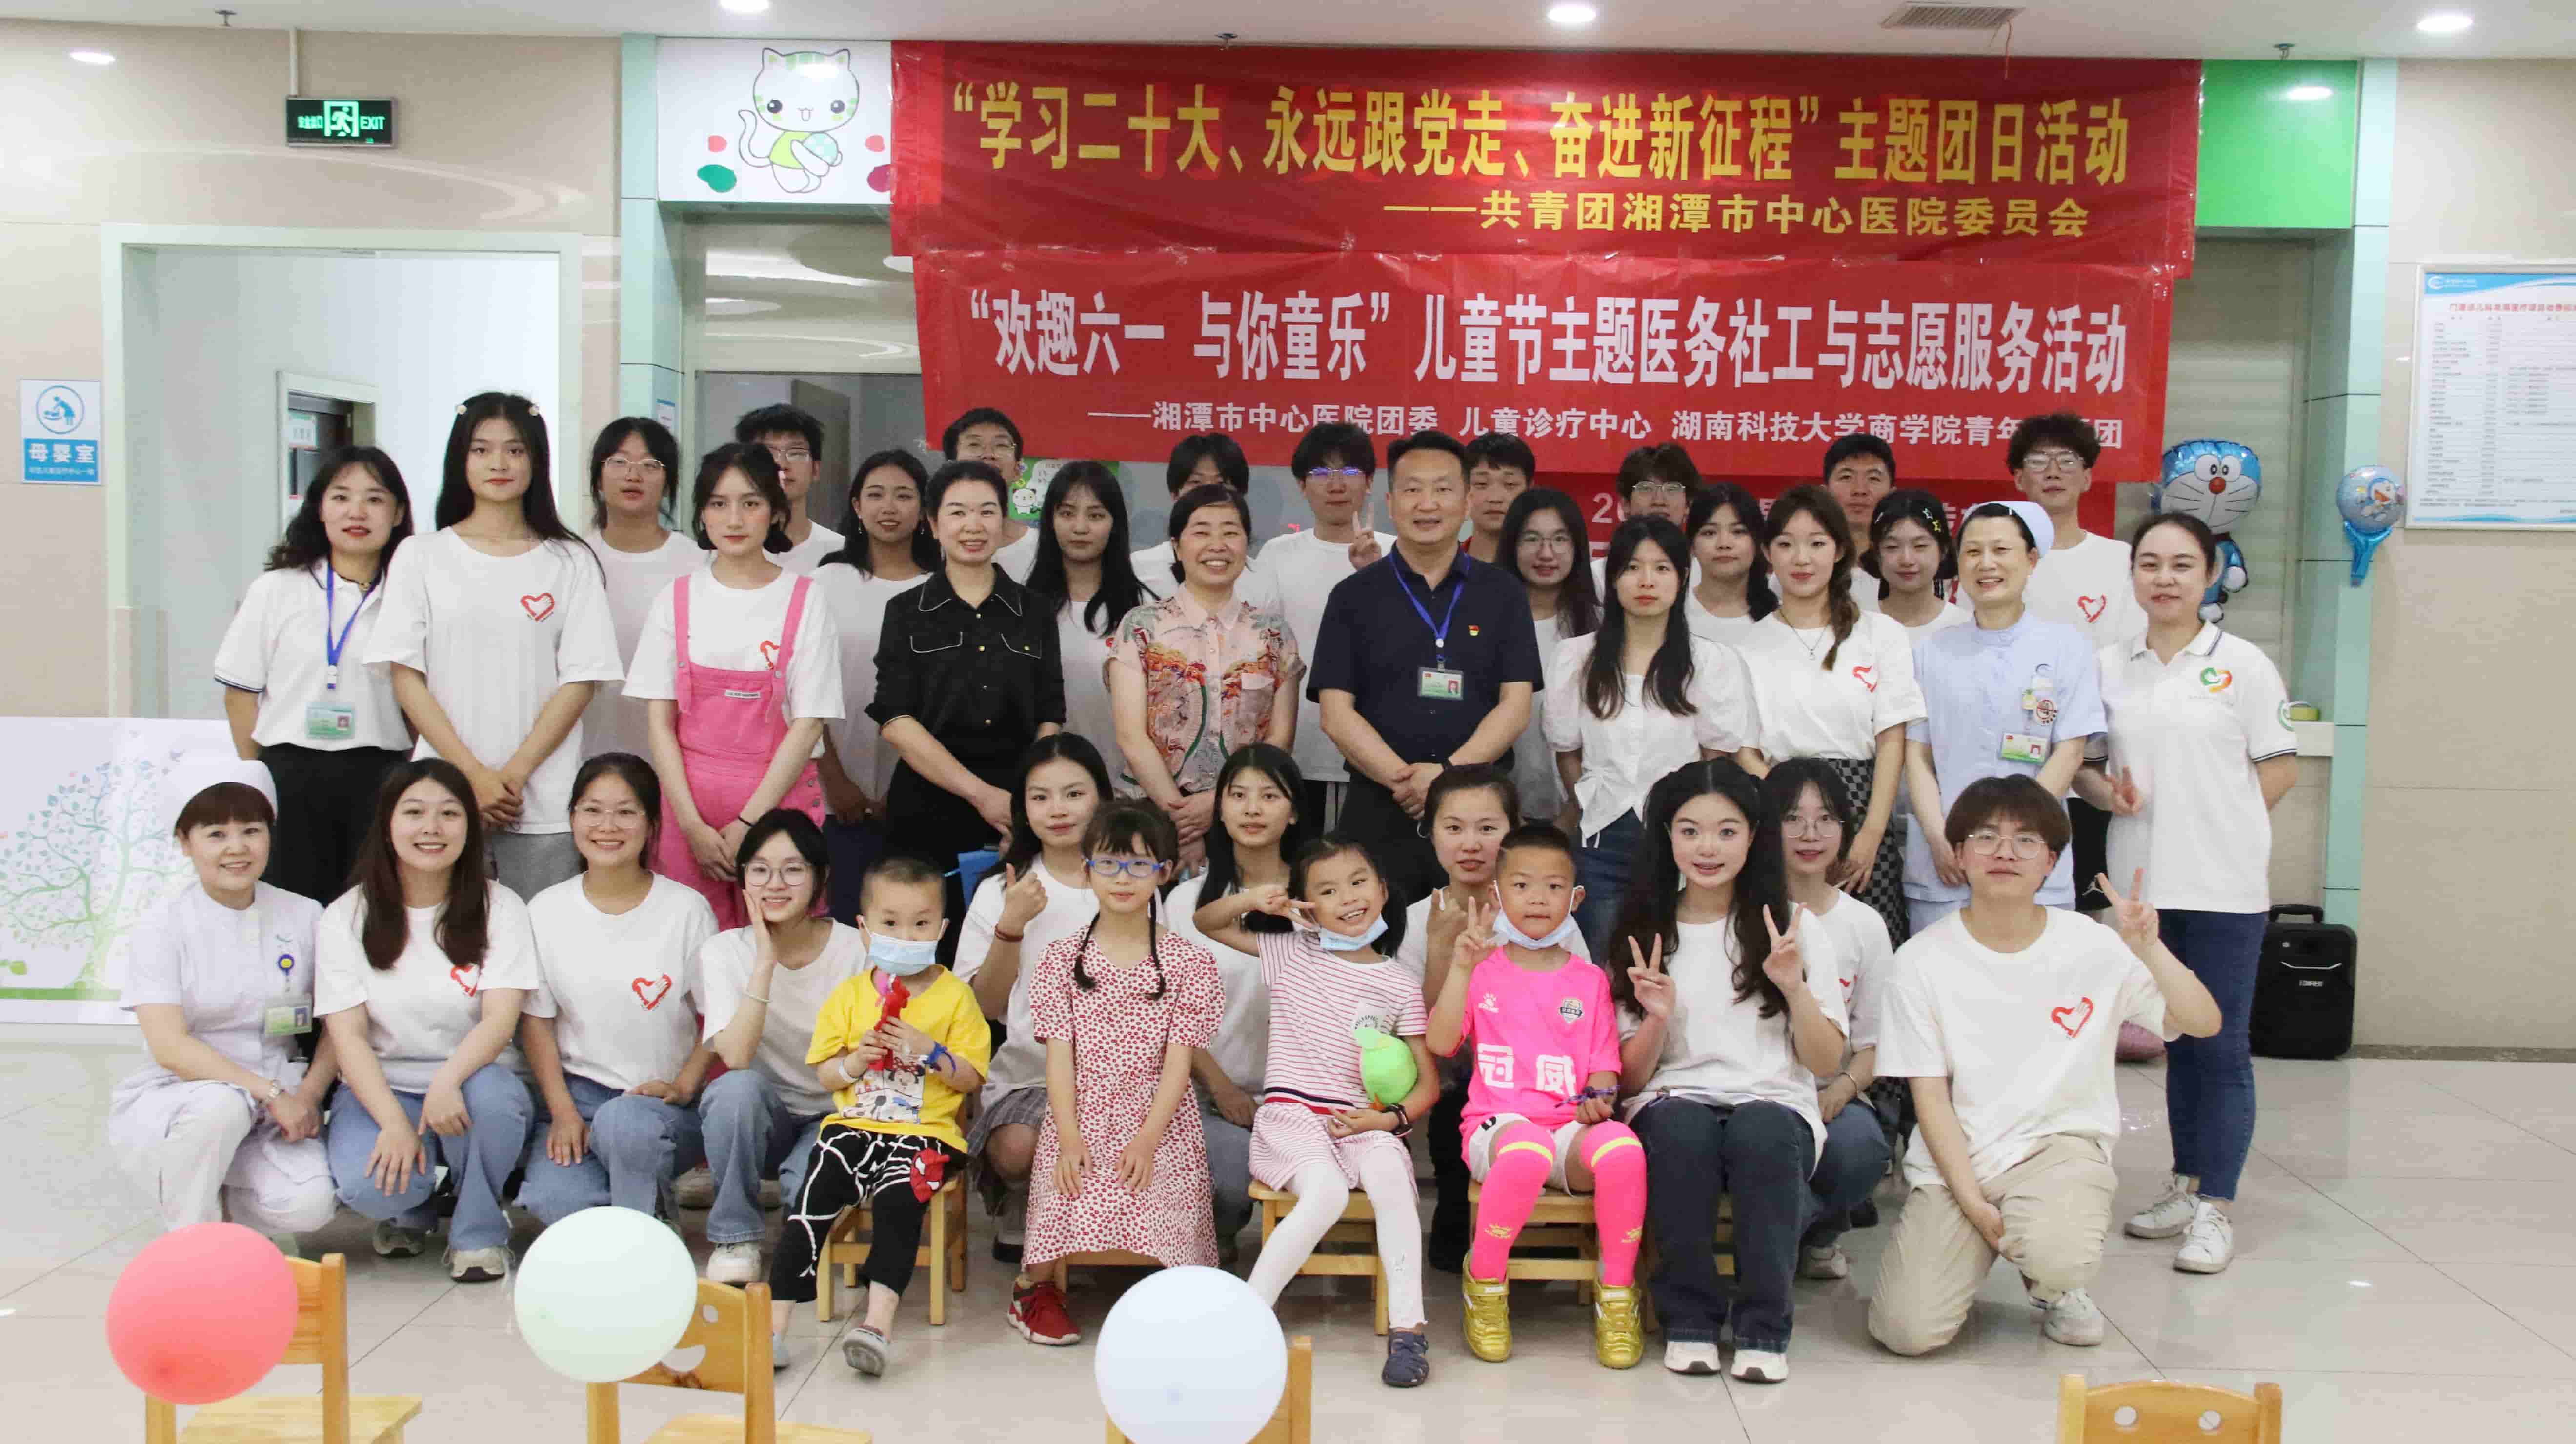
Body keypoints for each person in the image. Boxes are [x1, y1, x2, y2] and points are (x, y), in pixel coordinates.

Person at [1867, 777, 2222, 1357]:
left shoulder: (2092, 944)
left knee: (2059, 1254)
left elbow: (2203, 1022)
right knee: (1907, 1332)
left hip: (2058, 1149)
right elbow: (1930, 1098)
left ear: (2052, 861)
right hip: (1961, 1160)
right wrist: (1974, 1204)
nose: (2005, 852)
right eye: (1986, 837)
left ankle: (2058, 1284)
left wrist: (2149, 947)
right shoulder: (1921, 961)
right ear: (1959, 854)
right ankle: (1993, 1245)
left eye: (2026, 840)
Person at [2078, 512, 2299, 1276]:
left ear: (2209, 575)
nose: (2164, 578)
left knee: (2222, 1043)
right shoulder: (2108, 666)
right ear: (2133, 577)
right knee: (2176, 1037)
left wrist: (2222, 825)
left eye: (2181, 565)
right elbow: (2086, 769)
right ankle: (2186, 1181)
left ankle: (2218, 1206)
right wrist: (2107, 794)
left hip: (2226, 889)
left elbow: (2280, 767)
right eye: (2150, 564)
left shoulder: (2244, 665)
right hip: (2144, 895)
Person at [1610, 760, 1847, 1383]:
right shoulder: (1643, 929)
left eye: (1726, 831)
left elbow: (1826, 1062)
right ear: (1667, 836)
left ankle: (1764, 1328)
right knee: (1682, 1128)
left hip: (1775, 1103)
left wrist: (1794, 987)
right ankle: (1689, 1321)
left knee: (1761, 1130)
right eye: (1689, 830)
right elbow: (1628, 1082)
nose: (1707, 848)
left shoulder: (1794, 928)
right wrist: (1656, 1018)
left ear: (1753, 836)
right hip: (1671, 1098)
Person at [1196, 838, 1441, 1389]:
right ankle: (1247, 1318)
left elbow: (1428, 1085)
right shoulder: (1292, 951)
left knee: (1393, 1180)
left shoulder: (1399, 983)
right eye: (1328, 891)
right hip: (1292, 1116)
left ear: (1383, 890)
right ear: (1307, 906)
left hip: (1362, 1123)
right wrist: (1259, 899)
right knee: (1326, 1191)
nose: (1348, 898)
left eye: (1358, 882)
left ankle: (1409, 1329)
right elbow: (1207, 921)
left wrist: (1388, 1121)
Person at [368, 392, 623, 901]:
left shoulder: (571, 561)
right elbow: (406, 676)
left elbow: (582, 679)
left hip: (542, 799)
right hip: (441, 798)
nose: (499, 463)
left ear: (537, 460)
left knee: (542, 938)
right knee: (441, 937)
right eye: (481, 449)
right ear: (460, 460)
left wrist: (513, 775)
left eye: (515, 450)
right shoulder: (421, 555)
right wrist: (470, 775)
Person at [1426, 827, 1646, 1370]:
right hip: (1498, 1127)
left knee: (1624, 1150)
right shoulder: (1481, 969)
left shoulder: (1590, 980)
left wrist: (1598, 1100)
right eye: (1522, 885)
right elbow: (1440, 1043)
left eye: (1554, 886)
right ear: (1497, 894)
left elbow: (1603, 1067)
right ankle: (1485, 1283)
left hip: (1568, 1130)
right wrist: (1460, 967)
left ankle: (1618, 1296)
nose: (1538, 898)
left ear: (1577, 898)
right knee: (1526, 1150)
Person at [768, 853, 992, 1378]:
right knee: (811, 1196)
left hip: (928, 1137)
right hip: (853, 1127)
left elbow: (971, 1078)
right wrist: (854, 1061)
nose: (905, 935)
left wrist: (930, 1050)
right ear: (865, 929)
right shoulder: (848, 996)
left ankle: (877, 1325)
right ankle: (774, 1327)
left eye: (920, 924)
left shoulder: (956, 997)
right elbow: (826, 1075)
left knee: (898, 1199)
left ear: (941, 929)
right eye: (890, 923)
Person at [317, 758, 538, 1283]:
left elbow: (500, 1021)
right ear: (387, 824)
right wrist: (395, 1123)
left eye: (449, 813)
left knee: (494, 1103)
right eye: (414, 812)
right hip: (382, 1086)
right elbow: (348, 1038)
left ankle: (478, 1230)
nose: (432, 828)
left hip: (473, 1081)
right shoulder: (346, 916)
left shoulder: (502, 907)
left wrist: (447, 1080)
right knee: (370, 1187)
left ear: (471, 826)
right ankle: (409, 1209)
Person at [1014, 802, 1226, 1346]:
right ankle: (1035, 1290)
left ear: (1165, 872)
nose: (1123, 878)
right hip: (1079, 1115)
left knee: (1160, 1205)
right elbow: (1058, 1058)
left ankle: (1182, 1292)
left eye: (1139, 864)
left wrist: (1149, 1139)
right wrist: (1068, 1137)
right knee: (1068, 1187)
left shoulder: (1190, 962)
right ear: (1087, 871)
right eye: (1108, 864)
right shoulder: (1060, 959)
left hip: (1161, 1122)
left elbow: (1180, 1063)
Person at [1310, 430, 1544, 902]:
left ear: (1467, 501)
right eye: (1413, 489)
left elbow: (1516, 707)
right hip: (1379, 809)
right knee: (1375, 938)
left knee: (1475, 940)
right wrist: (1406, 781)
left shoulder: (1503, 594)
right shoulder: (1353, 597)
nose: (1427, 504)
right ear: (1391, 503)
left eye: (1442, 489)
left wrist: (1445, 778)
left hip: (1478, 819)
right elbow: (1336, 714)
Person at [109, 764, 338, 1243]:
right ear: (185, 842)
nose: (237, 848)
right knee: (221, 1107)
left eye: (251, 831)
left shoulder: (305, 915)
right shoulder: (162, 926)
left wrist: (307, 1097)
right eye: (216, 834)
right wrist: (268, 1092)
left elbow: (341, 1023)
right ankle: (192, 1242)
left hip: (279, 1092)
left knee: (310, 1205)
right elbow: (170, 1046)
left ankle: (220, 1201)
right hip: (186, 1096)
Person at [631, 444, 842, 928]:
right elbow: (660, 725)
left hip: (779, 811)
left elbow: (809, 724)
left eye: (751, 503)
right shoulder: (675, 598)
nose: (734, 519)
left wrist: (749, 823)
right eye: (719, 503)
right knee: (692, 944)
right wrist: (691, 825)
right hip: (688, 812)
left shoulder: (806, 599)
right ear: (702, 514)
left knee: (781, 945)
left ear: (775, 510)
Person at [515, 755, 721, 1226]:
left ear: (651, 825)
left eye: (626, 812)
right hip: (579, 1098)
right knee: (556, 1204)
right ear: (572, 818)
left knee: (626, 1128)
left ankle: (644, 1222)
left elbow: (719, 1017)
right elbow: (537, 1022)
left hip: (660, 1106)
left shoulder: (686, 911)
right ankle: (638, 1197)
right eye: (592, 810)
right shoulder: (545, 911)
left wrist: (684, 1086)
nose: (607, 826)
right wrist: (563, 1112)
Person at [214, 445, 416, 904]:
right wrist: (261, 777)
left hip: (380, 774)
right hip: (289, 773)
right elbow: (240, 695)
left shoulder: (410, 595)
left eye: (375, 499)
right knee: (290, 908)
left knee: (371, 909)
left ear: (398, 513)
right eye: (341, 497)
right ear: (320, 508)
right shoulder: (277, 589)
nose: (357, 512)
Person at [1549, 517, 1757, 958]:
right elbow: (1567, 750)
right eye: (1632, 568)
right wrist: (1590, 802)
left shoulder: (1710, 661)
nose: (1647, 581)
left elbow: (1715, 757)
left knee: (1674, 959)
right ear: (1613, 578)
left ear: (1682, 578)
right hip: (1601, 836)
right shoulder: (1577, 657)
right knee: (1601, 962)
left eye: (1662, 568)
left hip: (1679, 837)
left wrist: (1690, 823)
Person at [1903, 501, 2105, 934]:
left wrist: (2015, 839)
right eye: (1973, 552)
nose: (1986, 563)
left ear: (2030, 560)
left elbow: (2069, 752)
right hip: (1947, 865)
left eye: (2001, 550)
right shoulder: (1931, 652)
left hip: (2035, 861)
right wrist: (1941, 839)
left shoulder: (2066, 648)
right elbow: (1917, 756)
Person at [1735, 485, 1924, 946]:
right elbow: (1744, 749)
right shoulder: (1746, 647)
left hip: (1862, 804)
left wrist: (1870, 833)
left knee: (1869, 948)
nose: (1802, 559)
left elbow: (1892, 738)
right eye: (1786, 544)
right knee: (1783, 947)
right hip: (1780, 808)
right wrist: (1790, 810)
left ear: (1839, 551)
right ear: (1768, 554)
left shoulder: (1881, 633)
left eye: (1817, 543)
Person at [870, 460, 1065, 905]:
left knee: (1011, 927)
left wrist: (1025, 801)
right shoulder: (905, 611)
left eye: (987, 512)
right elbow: (894, 718)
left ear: (1003, 521)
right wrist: (981, 795)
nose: (973, 526)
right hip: (925, 805)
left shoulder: (1035, 611)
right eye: (957, 512)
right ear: (933, 523)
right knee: (921, 928)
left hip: (1018, 807)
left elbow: (1051, 714)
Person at [1393, 765, 1561, 1275]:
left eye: (1488, 828)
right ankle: (1456, 1207)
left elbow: (1571, 1012)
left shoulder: (1546, 913)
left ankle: (1537, 1220)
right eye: (1454, 827)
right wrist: (1441, 950)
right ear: (1431, 833)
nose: (1471, 844)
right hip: (1453, 1076)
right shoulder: (1415, 919)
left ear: (1513, 831)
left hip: (1535, 1078)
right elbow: (1422, 1038)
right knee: (1456, 1092)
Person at [694, 809, 867, 1284]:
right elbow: (736, 1056)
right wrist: (765, 962)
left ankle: (800, 1201)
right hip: (762, 1119)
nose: (775, 884)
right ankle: (736, 1237)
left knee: (803, 1200)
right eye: (760, 870)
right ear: (742, 879)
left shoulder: (857, 949)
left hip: (835, 1114)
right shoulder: (724, 951)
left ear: (821, 877)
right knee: (733, 1090)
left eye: (793, 869)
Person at [956, 737, 1109, 1264]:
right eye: (1041, 797)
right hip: (1031, 1073)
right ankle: (1024, 1204)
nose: (1058, 809)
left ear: (1102, 797)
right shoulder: (1002, 889)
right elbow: (983, 1005)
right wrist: (1011, 925)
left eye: (1074, 793)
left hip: (1119, 1073)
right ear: (1022, 808)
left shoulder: (1128, 876)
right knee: (1022, 1146)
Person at [1164, 744, 1315, 1264]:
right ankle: (1218, 1234)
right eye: (1239, 795)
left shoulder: (1319, 897)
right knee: (1228, 1180)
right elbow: (1169, 1011)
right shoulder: (1185, 902)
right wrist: (1221, 1087)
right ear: (1220, 810)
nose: (1253, 809)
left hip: (1302, 1096)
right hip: (1206, 1092)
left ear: (1293, 812)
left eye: (1270, 796)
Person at [1110, 484, 1301, 870]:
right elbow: (1131, 736)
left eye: (1231, 532)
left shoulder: (1273, 634)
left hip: (1247, 821)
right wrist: (1182, 820)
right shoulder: (1141, 627)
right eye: (1201, 532)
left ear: (1247, 544)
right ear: (1177, 547)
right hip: (1150, 821)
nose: (1218, 545)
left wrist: (1216, 805)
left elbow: (1279, 739)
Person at [1759, 759, 1897, 1283]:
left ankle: (1813, 1232)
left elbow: (1877, 1041)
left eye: (1826, 819)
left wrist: (1841, 1090)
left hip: (1828, 1089)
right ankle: (1779, 1238)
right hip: (1753, 1089)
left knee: (1860, 1146)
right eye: (1792, 818)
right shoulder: (1743, 911)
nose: (1810, 834)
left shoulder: (1864, 924)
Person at [2009, 412, 2146, 913]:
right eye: (2038, 461)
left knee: (2091, 916)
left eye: (2067, 461)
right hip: (2015, 762)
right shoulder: (2000, 560)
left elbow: (2134, 660)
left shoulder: (2120, 560)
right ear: (2018, 478)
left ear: (2088, 477)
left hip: (2097, 768)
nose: (2053, 471)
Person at [812, 450, 936, 922]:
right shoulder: (825, 582)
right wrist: (834, 779)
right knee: (842, 925)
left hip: (920, 796)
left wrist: (905, 790)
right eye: (876, 495)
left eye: (904, 496)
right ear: (857, 506)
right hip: (832, 792)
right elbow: (803, 690)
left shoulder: (941, 589)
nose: (889, 507)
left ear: (923, 510)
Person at [1249, 422, 1390, 831]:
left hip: (1376, 751)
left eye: (1350, 472)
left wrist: (1375, 574)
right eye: (1321, 473)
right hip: (1293, 746)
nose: (1336, 484)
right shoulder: (1277, 554)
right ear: (1301, 485)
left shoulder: (1396, 552)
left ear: (1369, 482)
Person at [578, 418, 704, 762]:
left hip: (677, 756)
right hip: (587, 751)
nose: (633, 475)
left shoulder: (698, 564)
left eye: (651, 465)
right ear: (598, 477)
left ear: (668, 482)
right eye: (619, 462)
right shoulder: (574, 562)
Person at [1026, 460, 1153, 768]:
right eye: (1067, 513)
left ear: (1115, 523)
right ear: (1050, 521)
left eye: (1095, 515)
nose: (1080, 528)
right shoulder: (1023, 607)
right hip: (1047, 781)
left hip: (1131, 782)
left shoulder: (1146, 610)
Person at [1495, 488, 1600, 828]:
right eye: (1532, 539)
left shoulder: (1604, 627)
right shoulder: (1486, 622)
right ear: (1512, 546)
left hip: (1588, 813)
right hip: (1498, 812)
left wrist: (1574, 812)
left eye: (1560, 539)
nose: (1546, 553)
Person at [735, 403, 844, 573]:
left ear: (816, 470)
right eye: (768, 454)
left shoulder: (841, 553)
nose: (782, 464)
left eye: (796, 453)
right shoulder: (722, 555)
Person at [1131, 432, 1251, 581]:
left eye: (1221, 484)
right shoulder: (1140, 570)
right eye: (1196, 483)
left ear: (1241, 495)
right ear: (1175, 494)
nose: (1208, 495)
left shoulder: (1261, 579)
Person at [941, 407, 1039, 580]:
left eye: (1001, 445)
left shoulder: (1043, 546)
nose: (989, 455)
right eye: (974, 445)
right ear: (950, 466)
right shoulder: (932, 545)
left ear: (1018, 469)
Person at [1591, 442, 1700, 592]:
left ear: (1688, 504)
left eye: (1672, 489)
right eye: (1646, 489)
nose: (1659, 501)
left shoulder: (1708, 577)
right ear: (1626, 504)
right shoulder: (1597, 577)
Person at [1681, 482, 1774, 648]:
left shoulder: (1781, 619)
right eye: (1710, 533)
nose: (1724, 544)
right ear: (1692, 545)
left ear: (1757, 542)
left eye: (1738, 532)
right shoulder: (1671, 612)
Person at [1872, 489, 1966, 643]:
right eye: (1892, 547)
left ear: (1943, 550)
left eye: (1920, 546)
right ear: (1876, 552)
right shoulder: (1856, 627)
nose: (1907, 560)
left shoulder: (1966, 627)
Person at [1822, 433, 1896, 615]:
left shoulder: (1909, 565)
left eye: (1874, 479)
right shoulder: (1802, 564)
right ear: (1825, 493)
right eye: (1847, 477)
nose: (1860, 490)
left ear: (1892, 494)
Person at [1463, 432, 1537, 563]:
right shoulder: (1440, 568)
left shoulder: (1546, 568)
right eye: (1481, 484)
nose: (1495, 498)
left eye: (1510, 484)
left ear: (1529, 490)